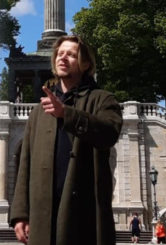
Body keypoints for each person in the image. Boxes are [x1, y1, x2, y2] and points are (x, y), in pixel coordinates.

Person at [10, 35, 123, 245]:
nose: (63, 58)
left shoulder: (102, 100)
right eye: (60, 54)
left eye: (71, 55)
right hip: (42, 217)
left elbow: (109, 133)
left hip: (85, 217)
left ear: (86, 64)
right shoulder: (38, 112)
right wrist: (20, 214)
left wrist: (67, 114)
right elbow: (25, 165)